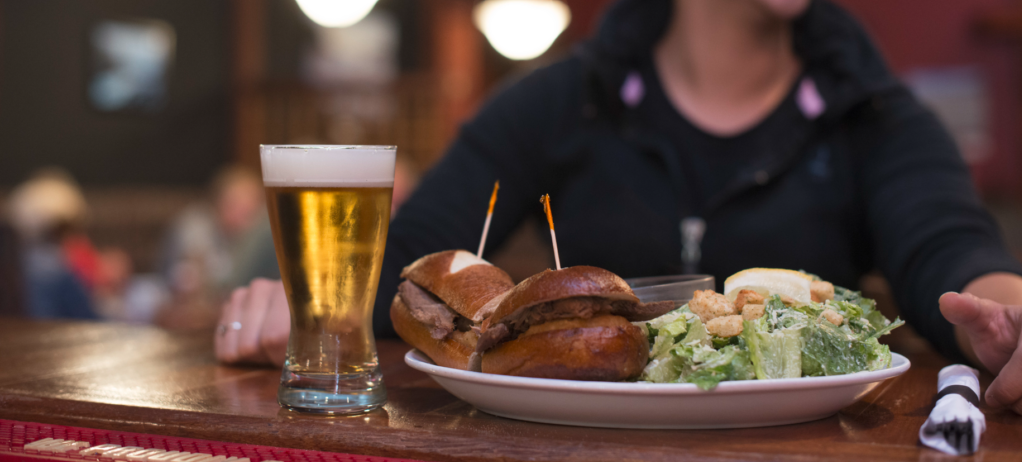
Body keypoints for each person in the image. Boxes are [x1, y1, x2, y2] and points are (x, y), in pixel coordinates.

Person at [216, 0, 1022, 414]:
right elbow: (416, 260)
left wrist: (1011, 316)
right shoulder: (567, 97)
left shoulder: (872, 110)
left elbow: (948, 252)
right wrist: (318, 315)